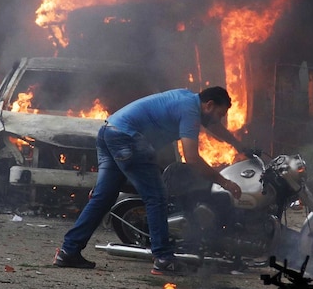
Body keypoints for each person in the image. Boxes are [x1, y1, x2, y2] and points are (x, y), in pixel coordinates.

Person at [53, 86, 248, 275]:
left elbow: (215, 127)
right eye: (220, 114)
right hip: (127, 139)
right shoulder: (190, 111)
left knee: (103, 198)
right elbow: (192, 158)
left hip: (108, 132)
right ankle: (163, 259)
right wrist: (225, 182)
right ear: (209, 105)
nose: (219, 119)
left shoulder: (186, 99)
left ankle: (68, 251)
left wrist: (240, 146)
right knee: (156, 196)